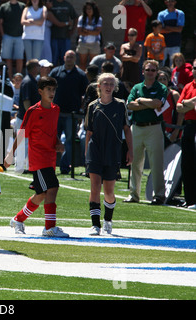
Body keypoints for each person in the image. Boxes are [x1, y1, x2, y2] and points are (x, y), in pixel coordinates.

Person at [5, 76, 69, 237]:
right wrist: (10, 155)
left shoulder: (56, 109)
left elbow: (52, 133)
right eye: (48, 89)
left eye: (53, 89)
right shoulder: (33, 111)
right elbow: (21, 134)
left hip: (50, 158)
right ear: (40, 91)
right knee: (52, 187)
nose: (52, 92)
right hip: (38, 159)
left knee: (41, 194)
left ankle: (18, 219)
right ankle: (49, 227)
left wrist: (58, 143)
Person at [84, 73, 133, 235]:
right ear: (99, 86)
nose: (108, 86)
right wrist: (87, 154)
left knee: (110, 192)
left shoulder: (120, 105)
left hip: (112, 151)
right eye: (105, 83)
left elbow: (127, 129)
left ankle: (108, 220)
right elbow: (89, 132)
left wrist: (130, 151)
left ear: (115, 87)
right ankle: (95, 225)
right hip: (95, 151)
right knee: (95, 188)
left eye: (111, 84)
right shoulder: (92, 106)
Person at [125, 60, 167, 205]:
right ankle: (134, 194)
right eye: (148, 70)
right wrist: (149, 104)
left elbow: (158, 104)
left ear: (157, 72)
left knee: (156, 163)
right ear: (143, 71)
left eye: (153, 70)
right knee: (135, 163)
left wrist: (141, 100)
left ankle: (159, 195)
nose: (150, 72)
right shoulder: (137, 87)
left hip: (154, 127)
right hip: (136, 127)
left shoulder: (161, 87)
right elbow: (130, 105)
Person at [49, 50, 88, 174]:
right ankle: (50, 166)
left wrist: (80, 110)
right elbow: (47, 89)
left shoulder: (81, 75)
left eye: (72, 57)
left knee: (69, 141)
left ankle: (65, 167)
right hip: (55, 113)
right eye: (68, 57)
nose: (70, 59)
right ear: (64, 57)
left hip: (71, 115)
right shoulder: (55, 72)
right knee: (52, 140)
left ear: (75, 59)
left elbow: (85, 95)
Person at [176, 59, 196, 209]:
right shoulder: (189, 86)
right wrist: (193, 102)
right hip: (188, 127)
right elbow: (178, 107)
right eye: (195, 68)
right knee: (187, 164)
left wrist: (186, 104)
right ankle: (189, 200)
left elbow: (184, 105)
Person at [0, 0, 25, 78]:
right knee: (8, 58)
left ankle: (18, 78)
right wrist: (3, 35)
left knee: (19, 58)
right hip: (7, 36)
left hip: (20, 36)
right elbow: (0, 22)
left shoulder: (22, 6)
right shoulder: (3, 6)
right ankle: (9, 78)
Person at [157, 69, 183, 145]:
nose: (162, 81)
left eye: (164, 79)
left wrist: (176, 131)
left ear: (168, 80)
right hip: (156, 131)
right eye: (160, 79)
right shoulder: (154, 94)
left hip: (171, 131)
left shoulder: (174, 94)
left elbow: (181, 114)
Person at [49, 0, 77, 66]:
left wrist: (73, 29)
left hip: (65, 36)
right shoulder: (51, 3)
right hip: (53, 36)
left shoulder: (67, 5)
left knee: (65, 58)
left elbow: (75, 17)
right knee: (54, 59)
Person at [76, 0, 102, 71]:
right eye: (87, 8)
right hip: (83, 43)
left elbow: (97, 32)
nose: (88, 10)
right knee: (82, 62)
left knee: (93, 63)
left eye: (90, 8)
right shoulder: (81, 18)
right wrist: (92, 31)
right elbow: (80, 32)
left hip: (94, 43)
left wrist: (86, 31)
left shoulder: (98, 18)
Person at [157, 0, 185, 67]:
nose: (170, 3)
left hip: (175, 43)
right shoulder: (161, 14)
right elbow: (159, 30)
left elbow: (179, 29)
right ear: (165, 2)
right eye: (168, 1)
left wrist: (166, 27)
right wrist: (174, 29)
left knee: (175, 65)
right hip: (163, 44)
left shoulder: (180, 13)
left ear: (175, 2)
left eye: (172, 1)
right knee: (160, 64)